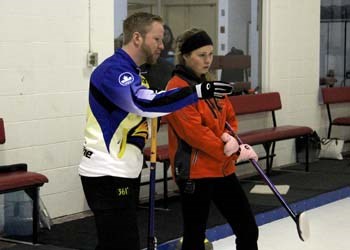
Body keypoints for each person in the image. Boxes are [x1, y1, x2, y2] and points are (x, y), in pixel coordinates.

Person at [78, 13, 233, 250]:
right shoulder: (114, 71)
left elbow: (144, 114)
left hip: (124, 170)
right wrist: (198, 91)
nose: (163, 45)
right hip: (106, 173)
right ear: (138, 38)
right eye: (157, 39)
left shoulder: (136, 74)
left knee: (115, 243)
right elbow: (145, 103)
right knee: (122, 244)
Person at [165, 28, 259, 250]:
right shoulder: (177, 88)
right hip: (195, 172)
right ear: (186, 56)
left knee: (247, 228)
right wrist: (230, 150)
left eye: (210, 54)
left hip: (222, 168)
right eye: (201, 55)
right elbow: (196, 135)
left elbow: (229, 116)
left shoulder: (211, 84)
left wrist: (232, 139)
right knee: (195, 236)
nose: (208, 60)